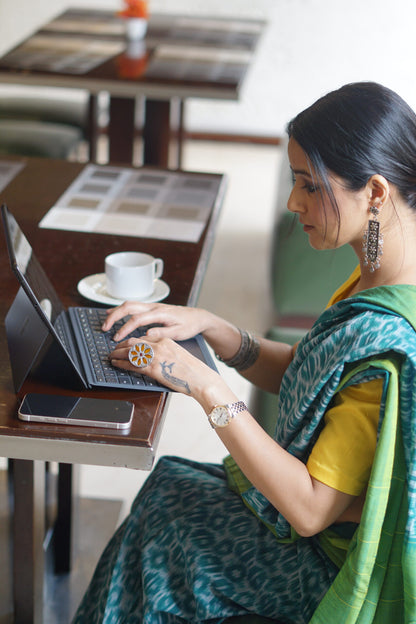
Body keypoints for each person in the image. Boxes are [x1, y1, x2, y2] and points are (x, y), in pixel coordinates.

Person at [72, 82, 416, 624]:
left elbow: (308, 511)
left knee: (165, 525)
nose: (292, 202)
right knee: (168, 487)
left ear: (374, 192)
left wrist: (205, 386)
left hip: (334, 571)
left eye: (308, 185)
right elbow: (318, 372)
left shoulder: (390, 336)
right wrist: (213, 329)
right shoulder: (386, 272)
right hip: (329, 531)